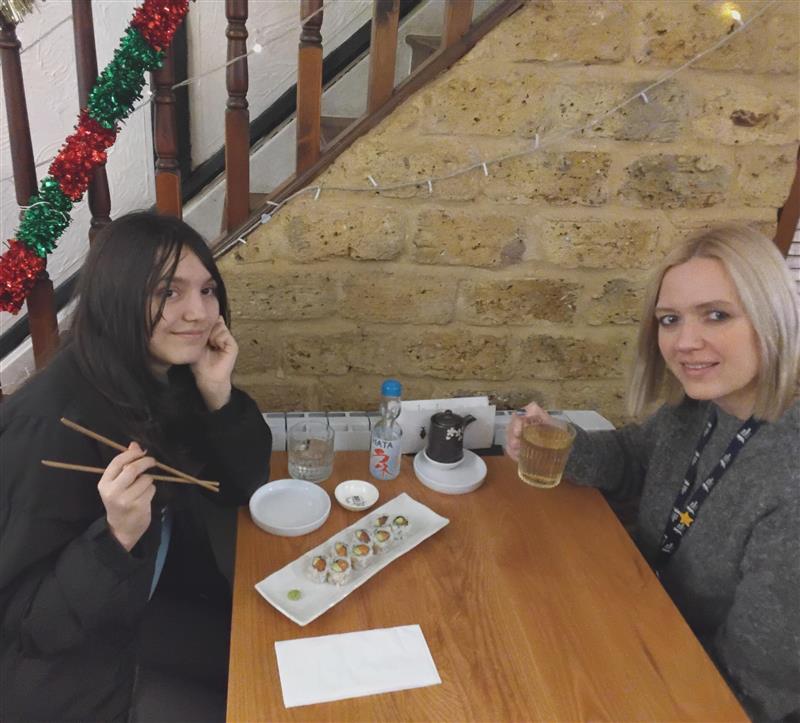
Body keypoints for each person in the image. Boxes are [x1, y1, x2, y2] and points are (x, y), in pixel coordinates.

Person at [505, 225, 799, 722]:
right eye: (669, 319)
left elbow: (754, 690)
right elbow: (632, 460)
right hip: (635, 615)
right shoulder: (698, 408)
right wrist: (561, 441)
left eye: (717, 314)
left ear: (773, 317)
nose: (685, 341)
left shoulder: (789, 478)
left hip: (689, 686)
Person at [0, 212, 272, 722]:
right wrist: (115, 537)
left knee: (275, 662)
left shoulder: (166, 376)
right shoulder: (46, 426)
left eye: (208, 290)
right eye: (169, 292)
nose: (199, 312)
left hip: (157, 607)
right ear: (116, 296)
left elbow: (239, 486)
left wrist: (219, 395)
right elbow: (29, 625)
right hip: (76, 676)